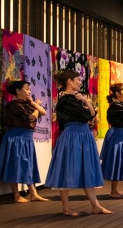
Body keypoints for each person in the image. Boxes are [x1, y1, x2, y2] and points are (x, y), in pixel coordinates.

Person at [45, 70, 111, 216]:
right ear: (69, 81)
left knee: (87, 169)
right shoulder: (66, 100)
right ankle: (66, 208)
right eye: (78, 79)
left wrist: (86, 102)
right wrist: (86, 106)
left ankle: (95, 205)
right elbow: (89, 115)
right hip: (72, 136)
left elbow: (92, 115)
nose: (80, 82)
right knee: (66, 170)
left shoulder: (74, 99)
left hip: (82, 135)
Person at [0, 80, 48, 203]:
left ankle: (33, 193)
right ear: (18, 91)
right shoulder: (14, 105)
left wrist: (33, 104)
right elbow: (32, 117)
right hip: (16, 138)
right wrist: (35, 107)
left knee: (28, 165)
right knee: (15, 165)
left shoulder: (28, 104)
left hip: (27, 138)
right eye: (27, 89)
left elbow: (43, 112)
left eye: (29, 89)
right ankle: (16, 194)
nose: (29, 91)